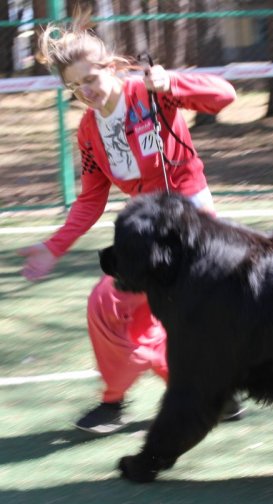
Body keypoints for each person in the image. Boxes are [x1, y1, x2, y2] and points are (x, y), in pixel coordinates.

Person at [18, 11, 244, 435]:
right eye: (74, 86)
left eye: (90, 78)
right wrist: (53, 247)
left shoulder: (150, 93)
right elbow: (90, 200)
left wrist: (174, 83)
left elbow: (225, 96)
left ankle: (193, 392)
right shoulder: (89, 132)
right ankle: (135, 397)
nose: (84, 91)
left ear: (110, 66)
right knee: (110, 304)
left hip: (191, 224)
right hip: (144, 233)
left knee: (166, 309)